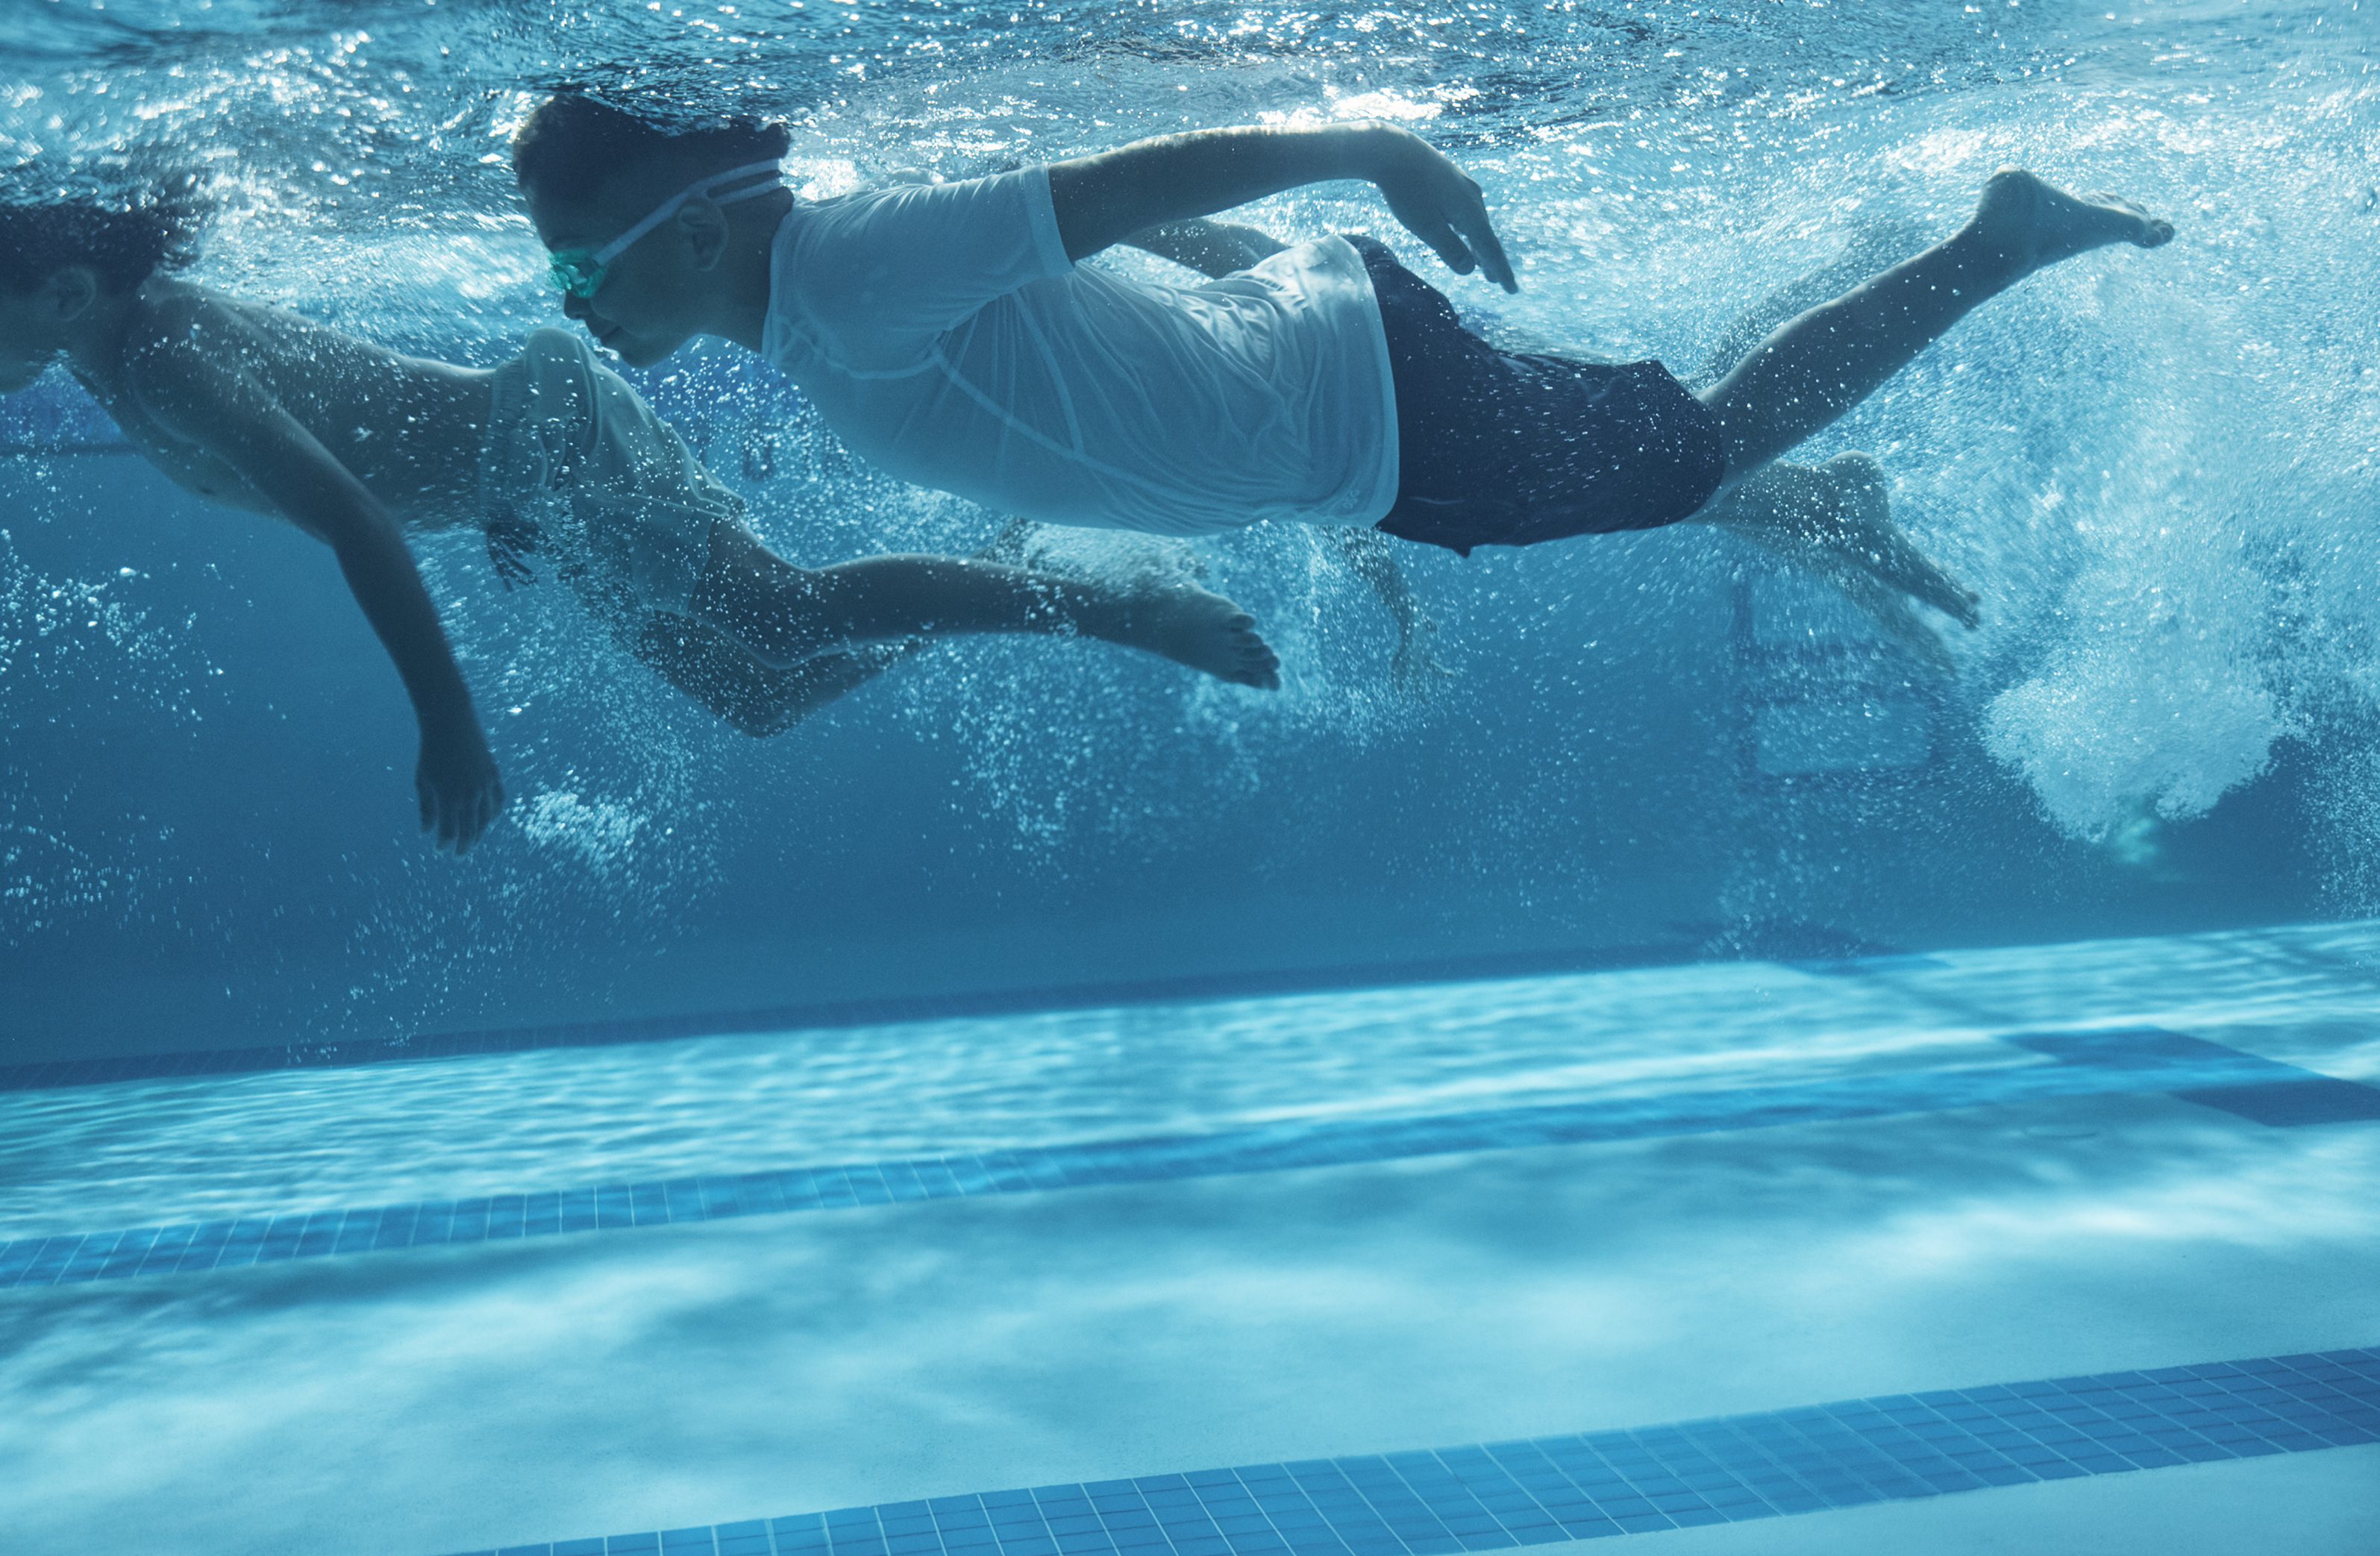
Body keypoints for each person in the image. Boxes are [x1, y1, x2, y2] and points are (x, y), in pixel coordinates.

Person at [511, 97, 2171, 659]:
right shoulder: (813, 303)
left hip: (1377, 420)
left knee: (1692, 450)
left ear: (699, 233)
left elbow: (1102, 196)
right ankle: (1817, 497)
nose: (571, 302)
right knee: (1682, 441)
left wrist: (1369, 147)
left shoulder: (846, 268)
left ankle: (1994, 242)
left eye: (580, 264)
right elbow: (1109, 315)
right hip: (1337, 395)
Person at [0, 184, 1285, 854]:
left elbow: (359, 524)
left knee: (777, 615)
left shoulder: (160, 348)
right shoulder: (99, 349)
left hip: (544, 435)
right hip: (528, 481)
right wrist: (507, 502)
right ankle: (1018, 560)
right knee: (762, 694)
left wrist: (448, 721)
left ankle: (1121, 612)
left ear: (64, 288)